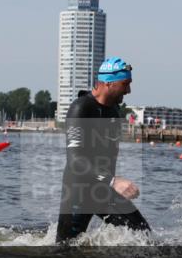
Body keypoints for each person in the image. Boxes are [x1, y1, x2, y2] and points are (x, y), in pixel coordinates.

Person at [56, 57, 151, 243]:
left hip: (102, 189)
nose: (129, 90)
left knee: (143, 234)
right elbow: (75, 160)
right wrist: (114, 181)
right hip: (79, 191)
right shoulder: (81, 108)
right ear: (108, 83)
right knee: (66, 250)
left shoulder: (114, 110)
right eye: (125, 84)